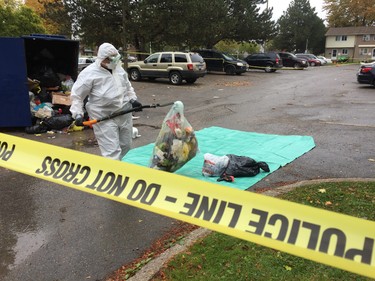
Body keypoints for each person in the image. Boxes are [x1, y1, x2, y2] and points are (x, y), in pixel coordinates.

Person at [70, 43, 142, 160]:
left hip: (124, 112)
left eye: (116, 57)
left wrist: (133, 99)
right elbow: (77, 96)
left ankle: (123, 171)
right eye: (111, 59)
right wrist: (77, 114)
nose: (114, 61)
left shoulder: (118, 69)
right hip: (103, 116)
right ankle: (114, 175)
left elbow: (127, 86)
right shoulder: (89, 73)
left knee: (126, 146)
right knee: (112, 152)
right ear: (102, 59)